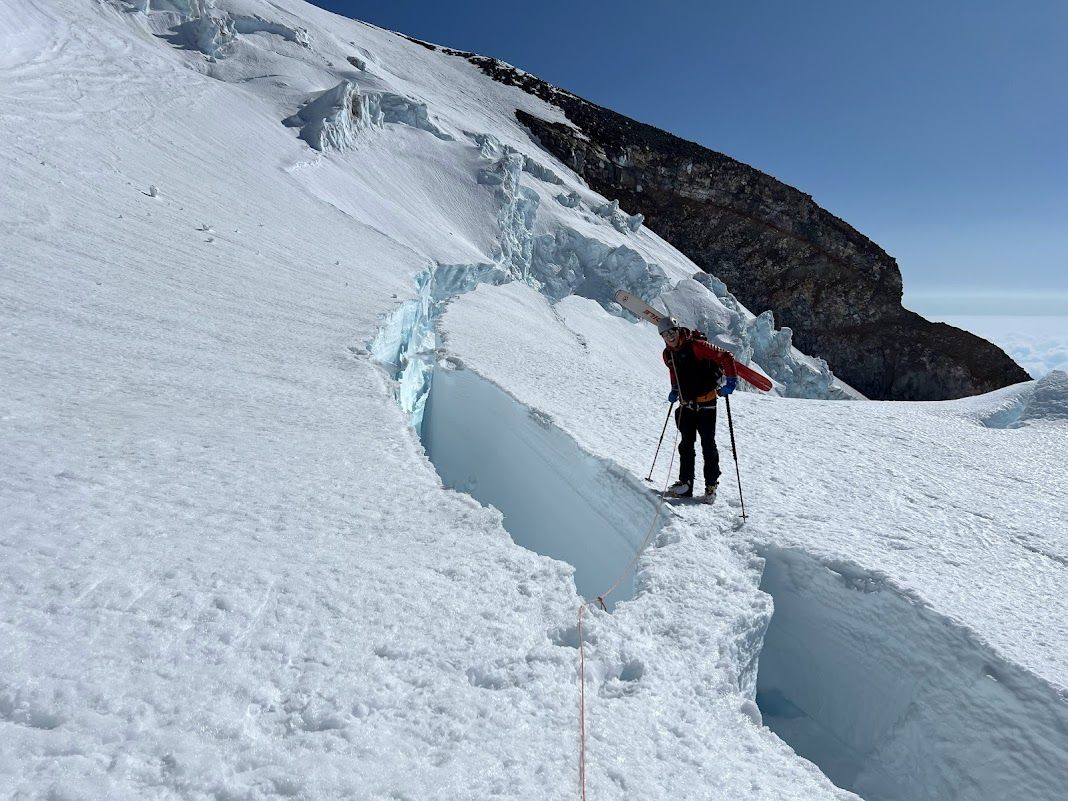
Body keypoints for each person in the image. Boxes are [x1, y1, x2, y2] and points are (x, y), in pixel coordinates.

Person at [658, 316, 738, 502]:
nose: (669, 336)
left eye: (671, 331)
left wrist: (731, 382)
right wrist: (674, 388)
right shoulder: (668, 354)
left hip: (707, 403)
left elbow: (726, 356)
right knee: (686, 444)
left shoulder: (696, 346)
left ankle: (711, 485)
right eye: (664, 334)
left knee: (707, 444)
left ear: (678, 330)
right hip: (686, 403)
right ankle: (685, 484)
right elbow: (673, 370)